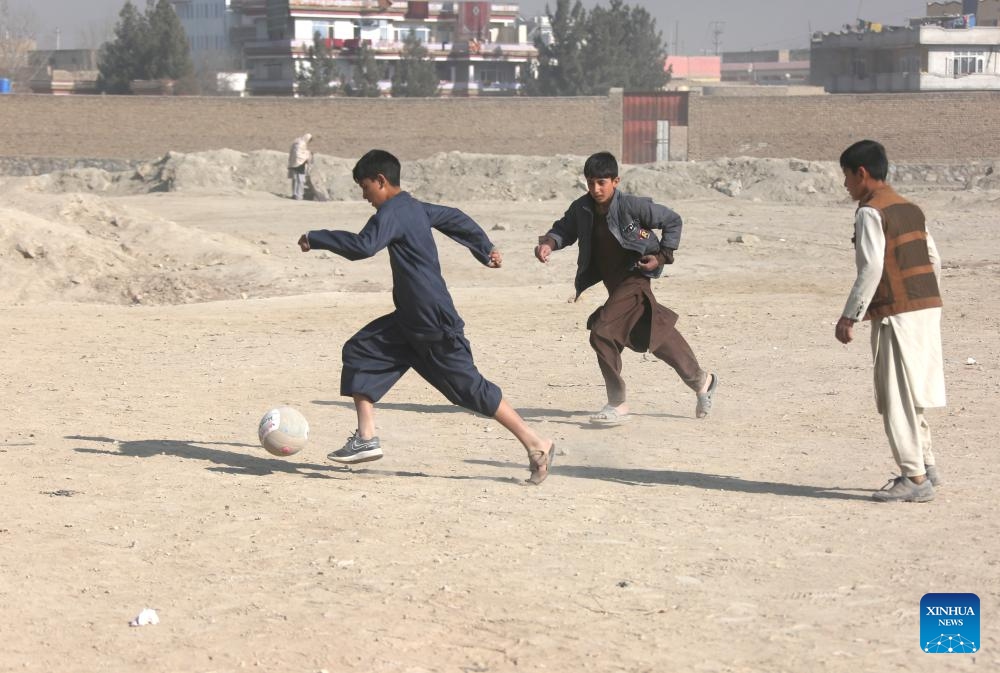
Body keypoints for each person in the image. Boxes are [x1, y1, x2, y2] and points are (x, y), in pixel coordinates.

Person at [297, 149, 556, 484]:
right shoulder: (413, 208)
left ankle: (537, 443)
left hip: (431, 319)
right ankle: (366, 437)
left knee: (468, 388)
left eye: (365, 188)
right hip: (410, 319)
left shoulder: (392, 211)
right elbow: (454, 218)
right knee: (360, 350)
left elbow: (364, 246)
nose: (364, 196)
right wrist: (484, 247)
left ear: (381, 181)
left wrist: (316, 238)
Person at [534, 151, 717, 425]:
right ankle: (702, 380)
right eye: (591, 182)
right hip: (613, 284)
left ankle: (617, 403)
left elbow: (672, 220)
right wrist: (549, 243)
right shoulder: (582, 209)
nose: (596, 189)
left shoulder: (632, 207)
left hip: (634, 278)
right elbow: (565, 229)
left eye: (602, 182)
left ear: (616, 181)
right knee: (653, 334)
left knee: (602, 332)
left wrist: (663, 256)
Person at [835, 140, 946, 503]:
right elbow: (933, 259)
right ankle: (927, 465)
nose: (846, 185)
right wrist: (923, 299)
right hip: (925, 308)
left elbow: (871, 267)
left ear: (862, 173)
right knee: (912, 391)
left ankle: (913, 478)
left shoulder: (871, 212)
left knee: (896, 397)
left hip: (896, 315)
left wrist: (849, 315)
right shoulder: (909, 208)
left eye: (847, 177)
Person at [288, 133, 313, 200]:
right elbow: (300, 155)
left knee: (295, 179)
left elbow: (295, 153)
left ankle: (294, 194)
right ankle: (299, 195)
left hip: (293, 163)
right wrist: (308, 154)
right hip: (300, 164)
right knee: (301, 180)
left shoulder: (296, 141)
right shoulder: (302, 144)